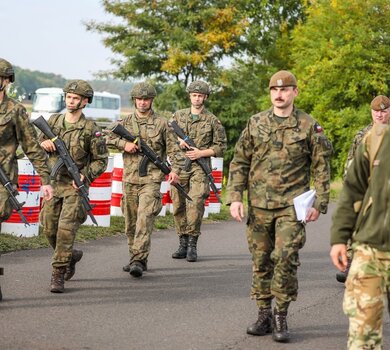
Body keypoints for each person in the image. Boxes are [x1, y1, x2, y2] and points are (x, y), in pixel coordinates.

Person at [226, 70, 332, 342]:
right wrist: (235, 196)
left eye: (285, 90)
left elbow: (321, 167)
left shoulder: (309, 125)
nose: (279, 94)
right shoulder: (256, 122)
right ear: (270, 93)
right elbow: (239, 161)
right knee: (261, 261)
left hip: (291, 207)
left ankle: (281, 315)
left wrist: (319, 203)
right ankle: (264, 314)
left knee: (284, 259)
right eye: (274, 90)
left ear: (295, 92)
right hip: (259, 206)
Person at [330, 96, 390, 349]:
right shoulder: (373, 140)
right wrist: (339, 238)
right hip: (371, 246)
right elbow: (352, 188)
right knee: (363, 330)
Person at [39, 80, 108, 293]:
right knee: (49, 228)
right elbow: (35, 147)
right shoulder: (53, 121)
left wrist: (84, 175)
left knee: (65, 230)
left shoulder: (91, 129)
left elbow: (101, 160)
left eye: (76, 98)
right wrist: (43, 144)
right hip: (53, 184)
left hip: (74, 188)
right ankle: (70, 255)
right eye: (69, 97)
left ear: (85, 101)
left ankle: (58, 273)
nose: (71, 101)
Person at [106, 82, 181, 278]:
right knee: (130, 222)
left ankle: (138, 259)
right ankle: (135, 257)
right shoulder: (125, 122)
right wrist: (125, 144)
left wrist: (175, 170)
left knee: (144, 218)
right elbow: (106, 138)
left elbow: (174, 149)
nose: (142, 102)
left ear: (151, 100)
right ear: (134, 100)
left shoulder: (162, 123)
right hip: (130, 179)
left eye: (146, 99)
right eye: (139, 99)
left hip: (152, 179)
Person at [0, 58, 54, 301]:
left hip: (3, 181)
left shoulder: (15, 110)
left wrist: (46, 180)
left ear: (7, 81)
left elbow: (32, 147)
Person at [170, 80, 227, 262]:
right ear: (190, 96)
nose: (197, 98)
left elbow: (221, 146)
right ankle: (183, 242)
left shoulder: (212, 120)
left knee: (195, 204)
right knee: (178, 205)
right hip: (179, 166)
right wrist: (178, 142)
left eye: (200, 96)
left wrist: (201, 152)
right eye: (194, 95)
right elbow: (166, 137)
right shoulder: (177, 116)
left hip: (200, 168)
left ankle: (193, 244)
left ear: (205, 98)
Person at [336, 95, 390, 284]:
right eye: (376, 111)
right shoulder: (362, 135)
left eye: (384, 111)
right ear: (371, 112)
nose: (380, 115)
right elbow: (351, 164)